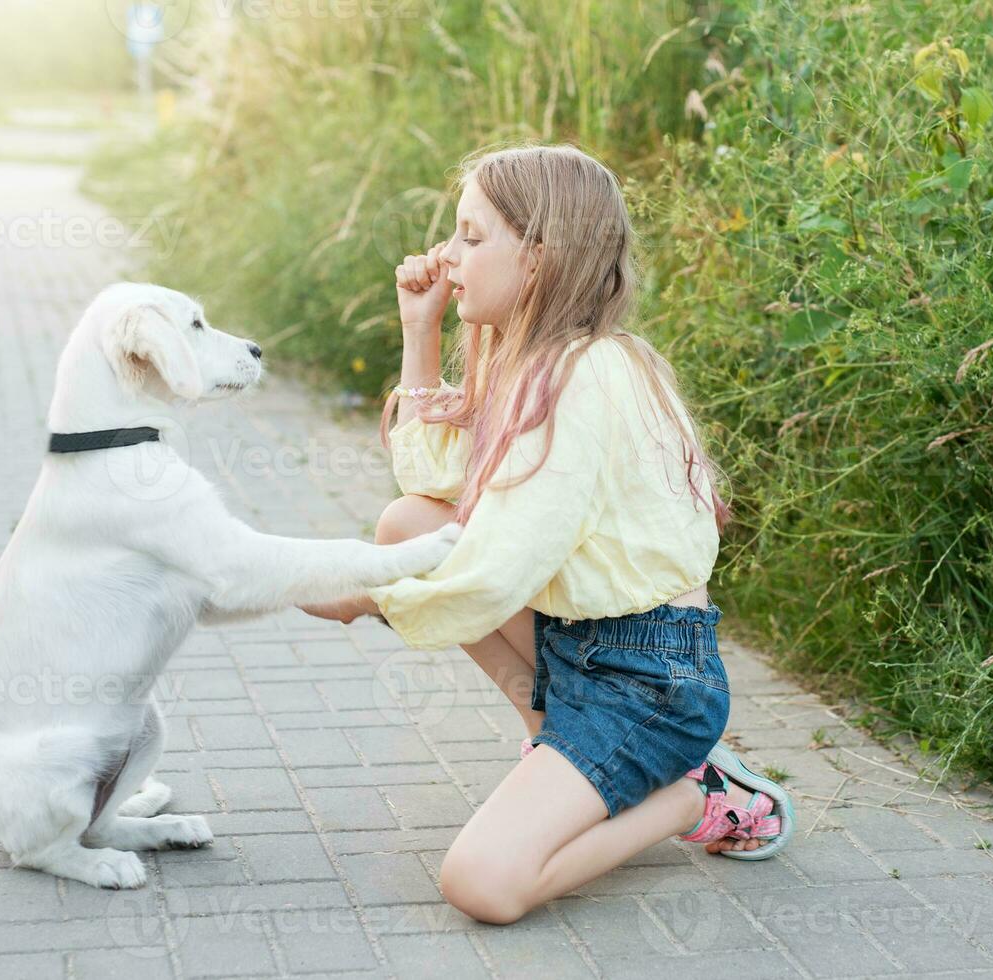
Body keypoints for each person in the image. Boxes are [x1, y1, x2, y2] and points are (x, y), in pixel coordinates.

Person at [300, 143, 793, 924]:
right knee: (408, 526)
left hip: (651, 683)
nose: (444, 256)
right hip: (581, 643)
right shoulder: (536, 363)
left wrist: (365, 594)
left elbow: (498, 569)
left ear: (539, 257)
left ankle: (690, 795)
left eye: (471, 235)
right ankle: (555, 745)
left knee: (484, 884)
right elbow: (429, 488)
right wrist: (418, 330)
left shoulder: (587, 377)